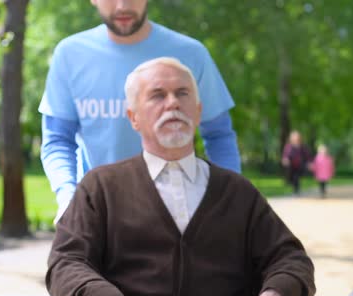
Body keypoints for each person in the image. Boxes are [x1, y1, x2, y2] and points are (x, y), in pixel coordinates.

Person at [46, 58, 315, 296]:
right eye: (157, 95)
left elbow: (291, 259)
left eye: (182, 93)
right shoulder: (100, 187)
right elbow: (65, 262)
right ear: (133, 116)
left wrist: (277, 295)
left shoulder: (238, 192)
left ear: (198, 112)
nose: (172, 103)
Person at [39, 0, 241, 223]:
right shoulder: (70, 55)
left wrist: (228, 198)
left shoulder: (191, 54)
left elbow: (219, 135)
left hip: (181, 216)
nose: (122, 5)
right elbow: (58, 140)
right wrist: (67, 196)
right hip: (100, 216)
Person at [281, 130, 311, 195]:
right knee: (292, 176)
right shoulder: (288, 146)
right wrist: (285, 159)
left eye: (297, 137)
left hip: (300, 165)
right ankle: (293, 186)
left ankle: (296, 190)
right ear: (291, 138)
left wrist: (309, 163)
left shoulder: (302, 146)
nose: (296, 138)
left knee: (296, 177)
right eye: (294, 137)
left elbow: (307, 155)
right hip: (291, 166)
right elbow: (285, 155)